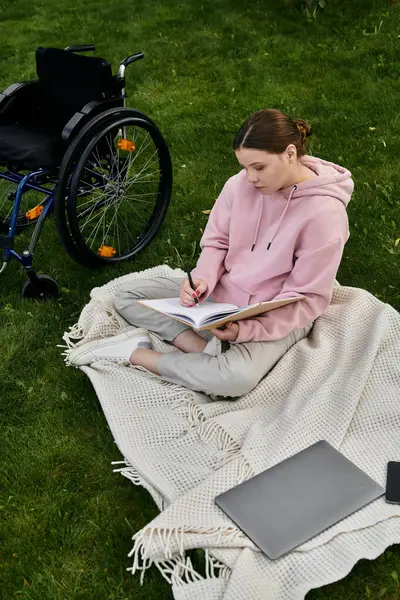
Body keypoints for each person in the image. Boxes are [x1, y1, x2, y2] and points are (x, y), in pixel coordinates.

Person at [67, 108, 354, 399]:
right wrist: (202, 279)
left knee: (235, 379)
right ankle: (203, 350)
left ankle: (137, 356)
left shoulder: (324, 214)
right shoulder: (238, 185)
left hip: (275, 313)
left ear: (290, 153)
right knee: (126, 296)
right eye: (244, 167)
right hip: (223, 297)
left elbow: (307, 299)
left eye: (259, 167)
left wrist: (247, 330)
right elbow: (217, 242)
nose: (251, 178)